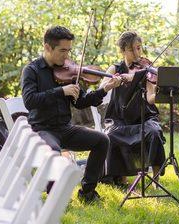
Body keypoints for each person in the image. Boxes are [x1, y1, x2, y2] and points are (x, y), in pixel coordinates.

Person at [21, 26, 122, 204]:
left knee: (101, 140)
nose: (66, 56)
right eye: (62, 51)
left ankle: (87, 192)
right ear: (47, 47)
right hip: (41, 129)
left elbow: (81, 101)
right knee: (52, 151)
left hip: (65, 129)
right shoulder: (32, 70)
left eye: (68, 50)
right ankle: (55, 198)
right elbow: (30, 101)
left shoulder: (68, 70)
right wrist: (61, 91)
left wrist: (104, 89)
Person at [99, 31, 166, 187]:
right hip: (119, 117)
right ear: (122, 51)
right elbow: (101, 89)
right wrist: (113, 82)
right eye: (131, 49)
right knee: (112, 134)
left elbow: (150, 98)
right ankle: (121, 179)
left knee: (154, 132)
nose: (137, 53)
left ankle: (156, 180)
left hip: (144, 116)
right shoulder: (114, 68)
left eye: (139, 48)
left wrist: (167, 91)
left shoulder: (146, 70)